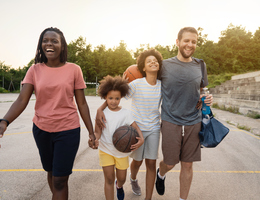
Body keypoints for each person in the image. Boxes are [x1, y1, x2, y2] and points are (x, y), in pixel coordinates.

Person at [0, 27, 95, 200]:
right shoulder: (34, 70)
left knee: (60, 180)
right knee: (51, 173)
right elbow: (22, 100)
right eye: (45, 40)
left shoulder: (74, 69)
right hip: (41, 130)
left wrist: (91, 131)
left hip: (68, 130)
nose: (49, 44)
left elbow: (82, 103)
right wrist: (4, 121)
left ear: (62, 46)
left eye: (54, 41)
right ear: (40, 45)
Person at [96, 49, 163, 200]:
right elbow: (114, 97)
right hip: (136, 128)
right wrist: (100, 109)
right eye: (149, 61)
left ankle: (148, 198)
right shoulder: (136, 84)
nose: (153, 62)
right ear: (143, 67)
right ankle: (133, 179)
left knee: (151, 163)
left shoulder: (161, 85)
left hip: (153, 128)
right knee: (137, 162)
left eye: (155, 60)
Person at [155, 27, 213, 200]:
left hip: (194, 120)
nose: (190, 45)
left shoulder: (200, 65)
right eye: (186, 40)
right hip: (170, 119)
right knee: (171, 162)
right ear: (178, 42)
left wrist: (206, 98)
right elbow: (145, 76)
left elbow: (202, 89)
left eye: (194, 42)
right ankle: (161, 173)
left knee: (188, 165)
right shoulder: (164, 65)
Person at [93, 75, 144, 200]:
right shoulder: (101, 113)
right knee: (109, 178)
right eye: (110, 98)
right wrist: (94, 139)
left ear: (121, 97)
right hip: (106, 150)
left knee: (121, 178)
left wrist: (141, 138)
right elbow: (97, 132)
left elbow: (136, 127)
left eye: (117, 98)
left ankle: (119, 186)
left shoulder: (126, 113)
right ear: (105, 97)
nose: (114, 101)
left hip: (121, 152)